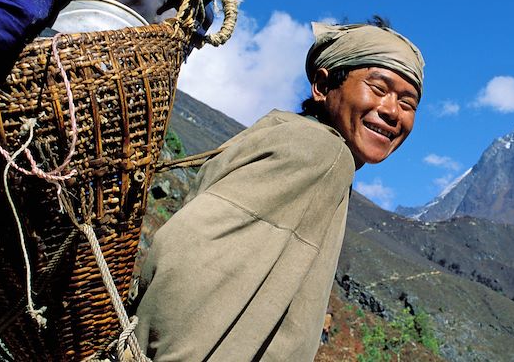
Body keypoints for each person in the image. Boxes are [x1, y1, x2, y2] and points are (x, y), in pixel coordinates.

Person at [133, 20, 424, 361]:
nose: (392, 111)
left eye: (407, 103)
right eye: (377, 88)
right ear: (322, 84)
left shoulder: (284, 136)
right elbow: (189, 261)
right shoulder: (321, 153)